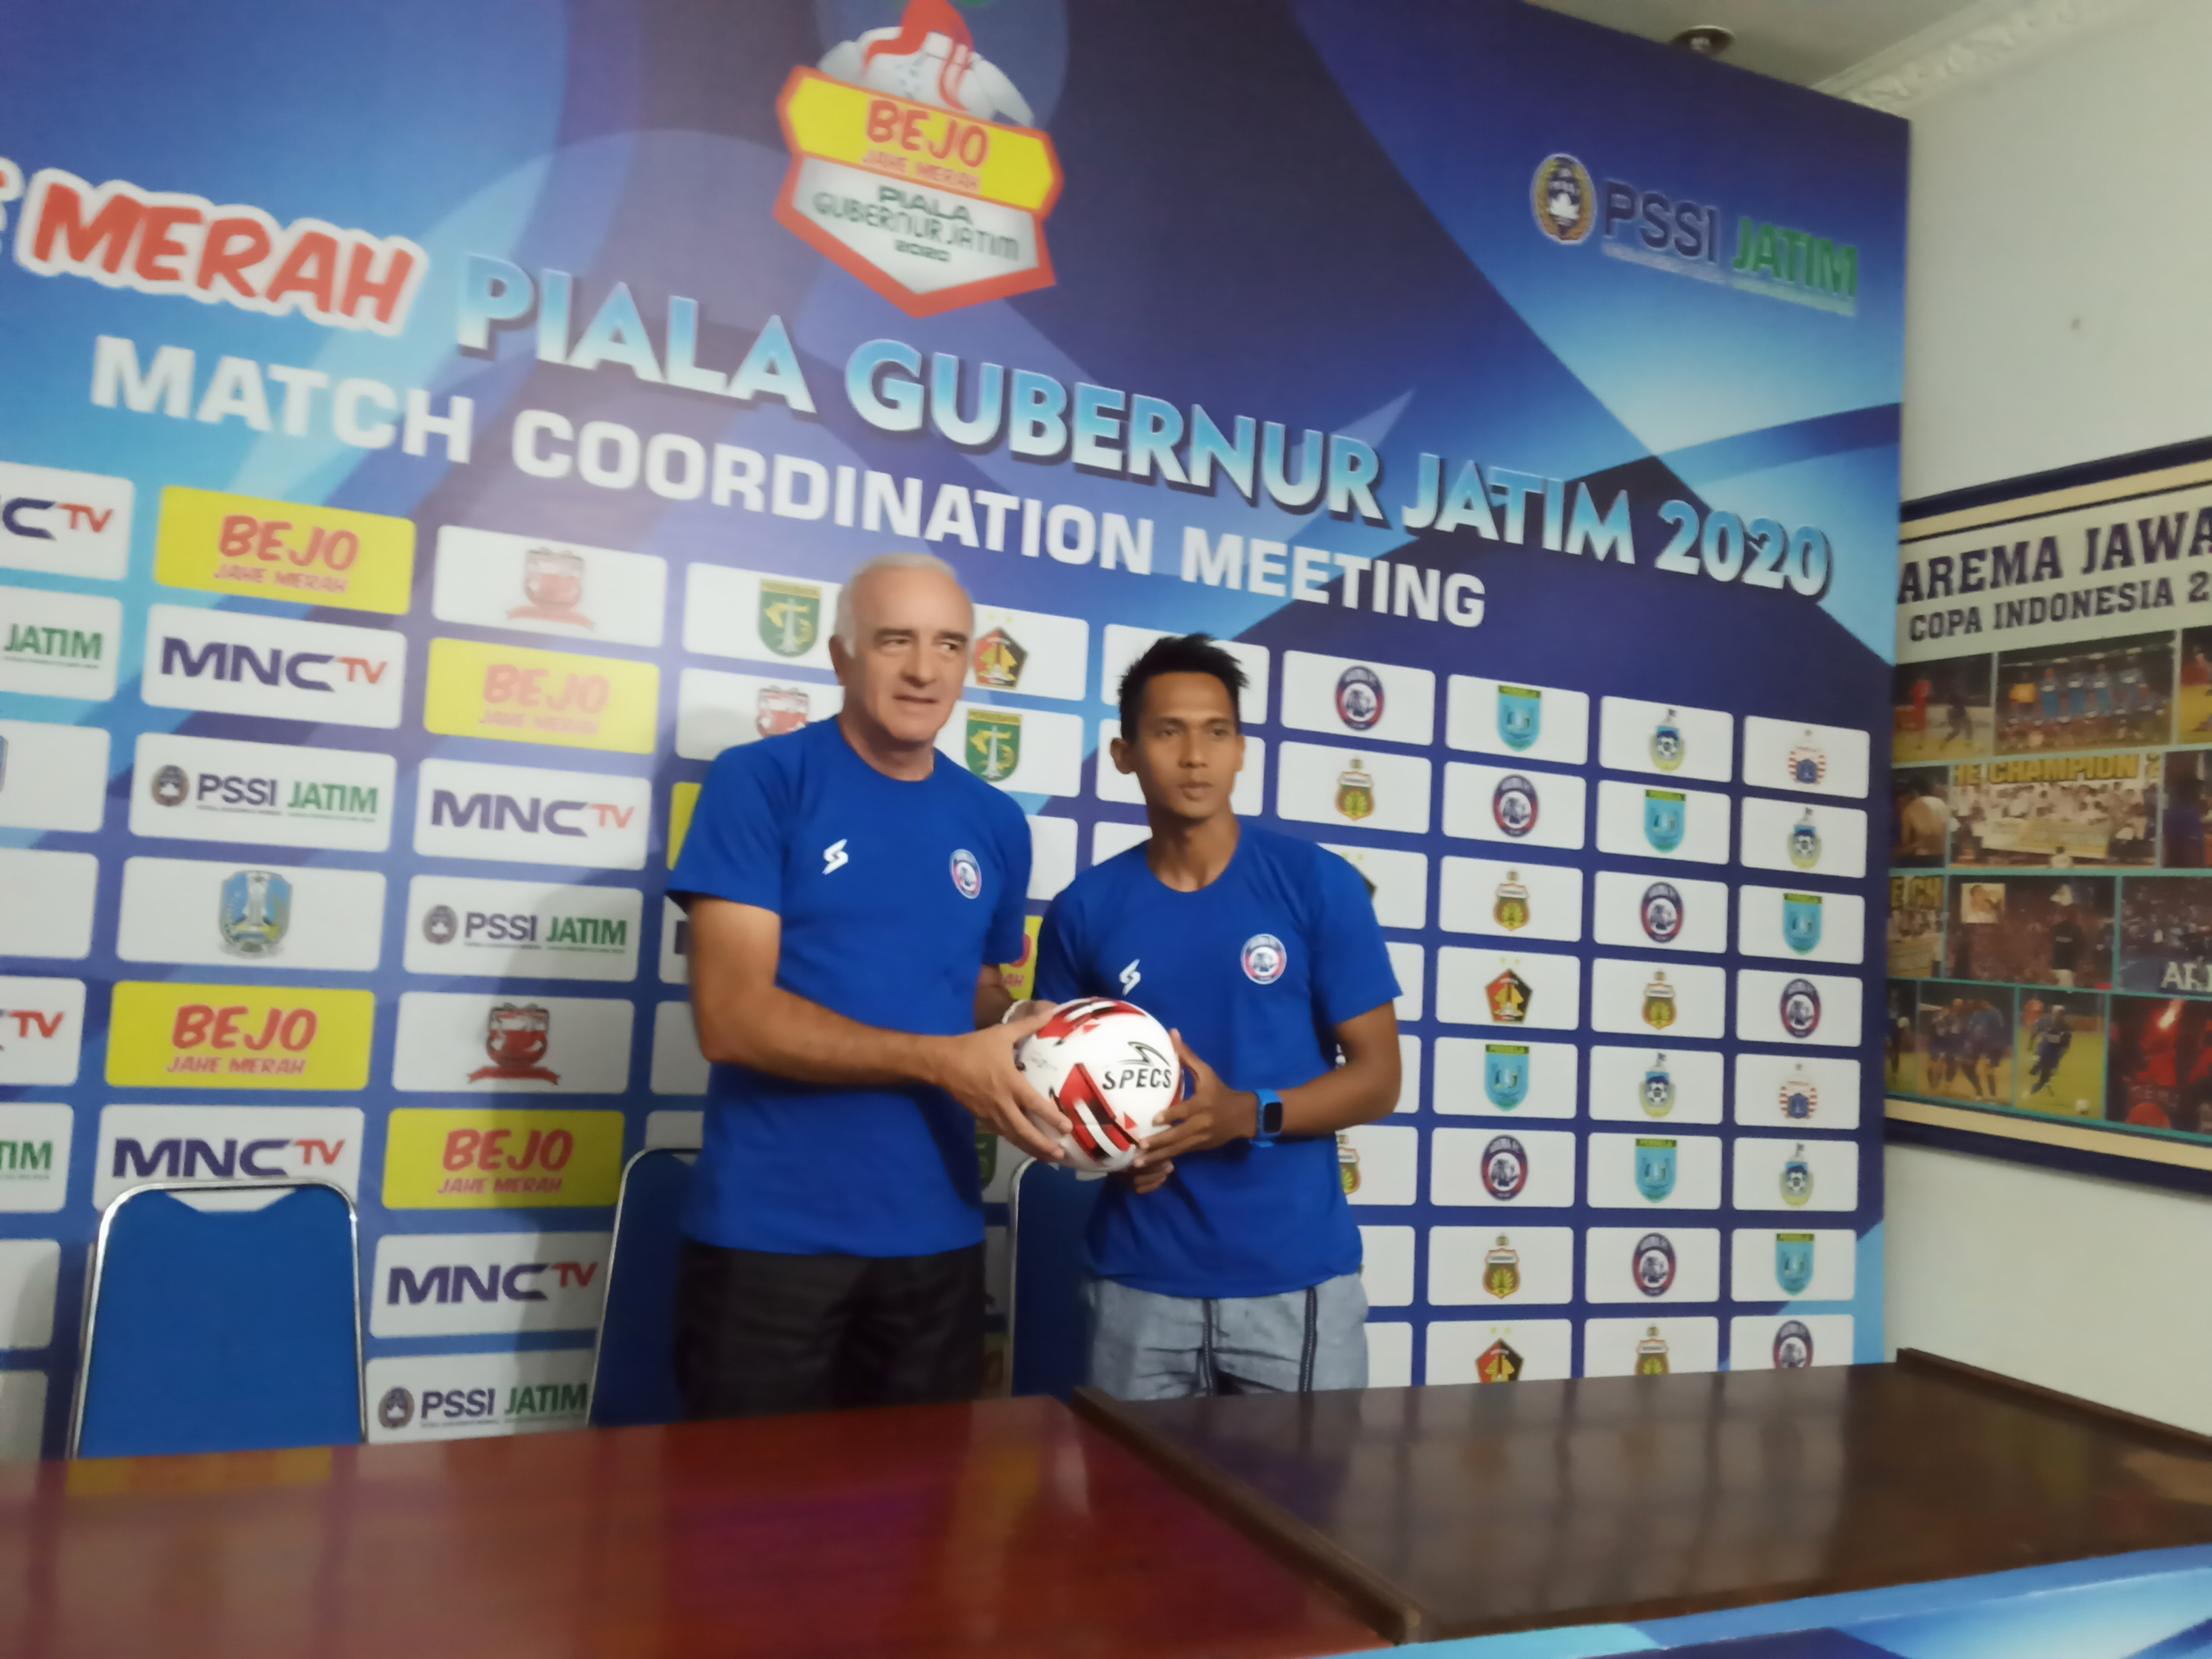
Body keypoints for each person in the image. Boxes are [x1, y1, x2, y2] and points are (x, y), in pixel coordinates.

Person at [668, 551, 1065, 1419]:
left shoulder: (996, 821)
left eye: (949, 645)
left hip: (940, 1242)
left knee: (920, 1540)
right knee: (745, 1540)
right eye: (896, 641)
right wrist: (939, 1062)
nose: (925, 669)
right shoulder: (760, 781)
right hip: (768, 1244)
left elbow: (975, 999)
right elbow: (732, 1020)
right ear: (842, 656)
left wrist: (1027, 1030)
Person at [1029, 634, 1401, 1399]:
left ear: (1240, 752)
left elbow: (1378, 1080)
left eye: (1216, 731)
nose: (1195, 755)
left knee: (1300, 1519)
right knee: (1132, 1518)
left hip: (1292, 1284)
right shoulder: (1083, 911)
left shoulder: (1317, 886)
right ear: (1125, 753)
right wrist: (1114, 1148)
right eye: (1169, 732)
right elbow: (1050, 1104)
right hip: (1137, 1282)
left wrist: (1246, 1114)